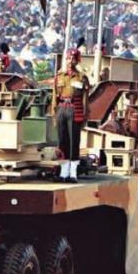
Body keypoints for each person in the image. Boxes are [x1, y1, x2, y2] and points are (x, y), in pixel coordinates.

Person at [51, 46, 89, 183]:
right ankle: (63, 173)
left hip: (74, 109)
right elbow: (54, 96)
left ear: (77, 60)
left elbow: (85, 99)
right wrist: (54, 113)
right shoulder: (59, 77)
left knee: (74, 141)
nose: (70, 61)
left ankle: (73, 173)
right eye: (68, 58)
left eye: (73, 58)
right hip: (62, 108)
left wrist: (84, 116)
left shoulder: (82, 77)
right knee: (62, 141)